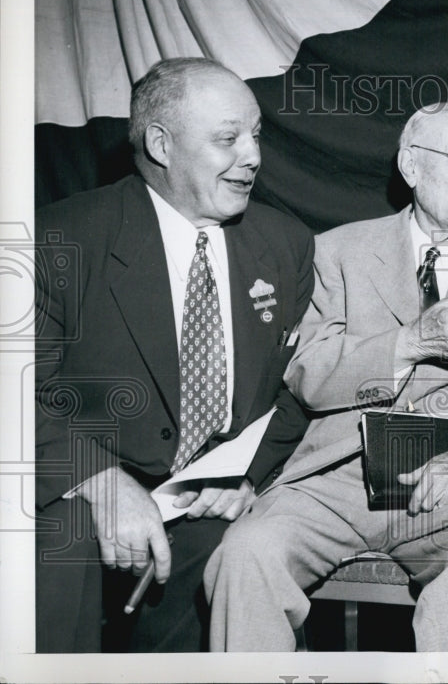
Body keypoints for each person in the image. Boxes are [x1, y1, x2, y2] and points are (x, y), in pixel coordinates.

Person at [204, 101, 448, 652]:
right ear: (410, 167)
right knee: (246, 555)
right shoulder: (336, 251)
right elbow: (308, 374)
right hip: (336, 479)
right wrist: (414, 341)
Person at [34, 57, 315, 652]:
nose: (253, 156)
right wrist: (99, 481)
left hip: (209, 500)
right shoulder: (62, 238)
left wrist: (248, 476)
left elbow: (299, 388)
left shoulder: (285, 245)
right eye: (227, 138)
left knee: (237, 557)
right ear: (161, 144)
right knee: (60, 545)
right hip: (83, 490)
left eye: (256, 135)